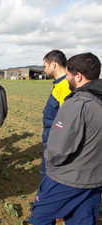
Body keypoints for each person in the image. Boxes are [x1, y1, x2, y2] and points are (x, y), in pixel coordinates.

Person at [28, 52, 102, 225]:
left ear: (78, 76)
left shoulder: (77, 104)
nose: (66, 78)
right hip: (94, 178)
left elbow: (58, 150)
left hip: (68, 178)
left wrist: (49, 163)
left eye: (68, 74)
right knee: (83, 220)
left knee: (40, 218)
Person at [41, 50, 71, 178]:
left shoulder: (65, 86)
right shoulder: (59, 84)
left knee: (49, 174)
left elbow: (67, 119)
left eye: (45, 66)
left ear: (53, 64)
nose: (44, 70)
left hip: (55, 141)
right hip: (51, 137)